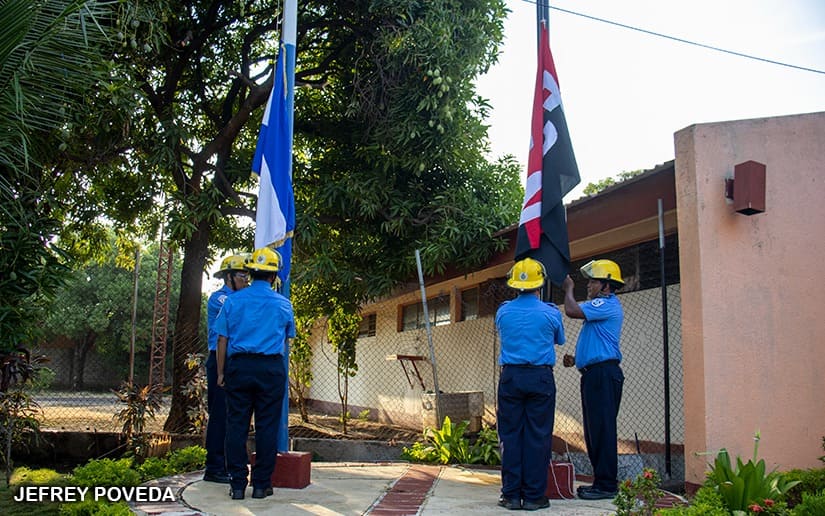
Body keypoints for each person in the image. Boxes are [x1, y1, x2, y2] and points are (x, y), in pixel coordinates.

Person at [216, 247, 295, 500]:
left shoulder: (233, 301)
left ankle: (237, 484)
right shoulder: (283, 304)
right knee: (267, 427)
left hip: (239, 367)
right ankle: (261, 485)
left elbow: (221, 339)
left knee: (236, 425)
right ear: (273, 277)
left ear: (250, 273)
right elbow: (287, 340)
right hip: (271, 369)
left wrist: (220, 373)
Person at [495, 257, 566, 511]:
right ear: (540, 283)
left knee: (510, 435)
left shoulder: (503, 311)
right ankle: (535, 496)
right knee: (538, 435)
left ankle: (511, 495)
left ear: (514, 285)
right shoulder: (550, 313)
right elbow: (559, 339)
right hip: (540, 377)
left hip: (511, 376)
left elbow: (502, 331)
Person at [561, 259, 625, 501]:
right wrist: (577, 358)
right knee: (595, 431)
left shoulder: (606, 304)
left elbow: (572, 311)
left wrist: (568, 289)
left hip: (602, 375)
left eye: (593, 281)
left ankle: (607, 485)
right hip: (595, 374)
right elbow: (599, 342)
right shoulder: (602, 308)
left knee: (602, 430)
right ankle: (601, 482)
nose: (588, 285)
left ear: (606, 285)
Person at [203, 254, 249, 484]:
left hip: (238, 360)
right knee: (220, 414)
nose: (246, 280)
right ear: (229, 277)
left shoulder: (242, 298)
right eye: (242, 275)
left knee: (237, 416)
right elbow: (238, 317)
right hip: (220, 360)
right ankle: (214, 466)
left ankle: (231, 464)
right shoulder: (219, 299)